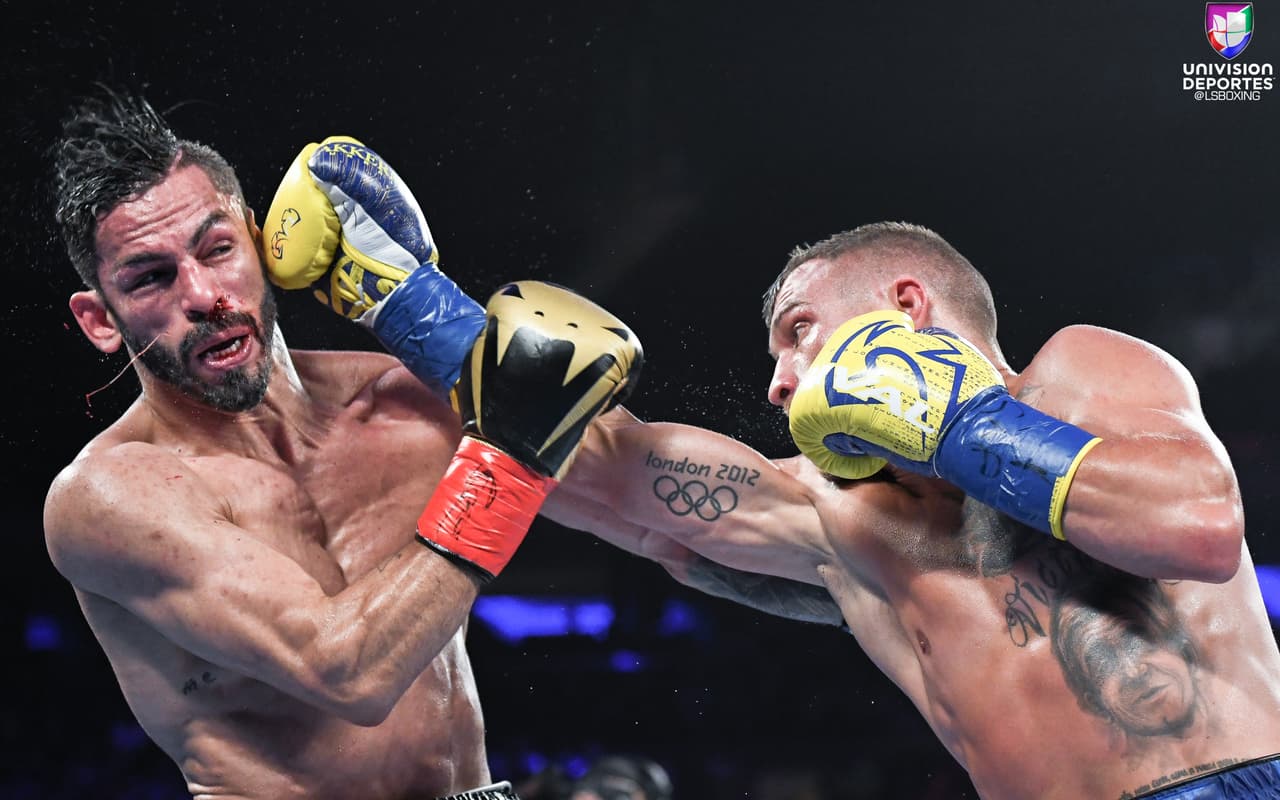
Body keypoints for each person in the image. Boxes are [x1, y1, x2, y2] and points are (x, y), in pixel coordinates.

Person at [542, 222, 1280, 799]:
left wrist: (955, 425)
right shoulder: (837, 512)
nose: (780, 382)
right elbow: (608, 475)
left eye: (798, 331)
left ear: (905, 305)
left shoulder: (1078, 374)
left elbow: (1200, 529)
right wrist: (434, 328)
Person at [42, 89, 640, 800]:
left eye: (217, 248)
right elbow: (345, 670)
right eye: (151, 277)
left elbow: (621, 475)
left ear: (262, 243)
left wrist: (430, 312)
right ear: (99, 321)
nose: (203, 293)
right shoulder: (108, 497)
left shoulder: (403, 402)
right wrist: (506, 459)